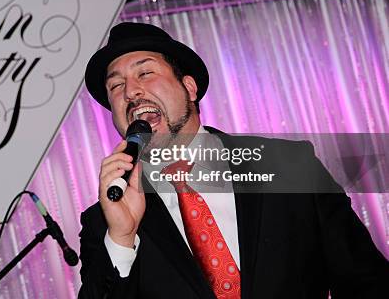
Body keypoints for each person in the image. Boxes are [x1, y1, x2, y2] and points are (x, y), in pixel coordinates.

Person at [78, 22, 388, 298]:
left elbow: (365, 279)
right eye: (115, 86)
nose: (131, 91)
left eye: (145, 72)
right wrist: (121, 238)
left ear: (189, 87)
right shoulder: (104, 222)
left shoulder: (288, 166)